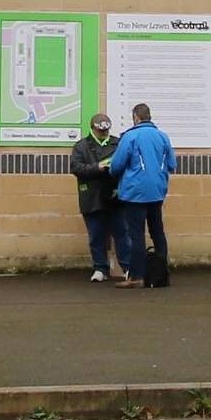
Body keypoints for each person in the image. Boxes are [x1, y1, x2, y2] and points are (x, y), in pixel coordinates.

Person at [105, 101, 173, 289]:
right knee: (158, 232)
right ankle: (162, 274)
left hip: (135, 193)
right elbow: (172, 164)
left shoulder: (130, 136)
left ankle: (136, 276)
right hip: (157, 192)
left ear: (136, 117)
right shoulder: (163, 137)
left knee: (136, 235)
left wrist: (112, 173)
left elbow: (117, 165)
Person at [68, 110, 121, 282]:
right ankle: (100, 268)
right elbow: (76, 168)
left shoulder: (117, 143)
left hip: (115, 195)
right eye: (100, 131)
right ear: (92, 129)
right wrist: (98, 167)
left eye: (106, 131)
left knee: (121, 233)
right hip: (92, 195)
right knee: (96, 234)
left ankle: (126, 267)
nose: (104, 134)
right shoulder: (81, 146)